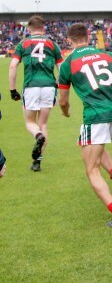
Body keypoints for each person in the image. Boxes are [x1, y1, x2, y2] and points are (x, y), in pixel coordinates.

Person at [58, 23, 112, 231]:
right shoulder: (107, 55)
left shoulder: (68, 63)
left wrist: (65, 113)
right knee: (89, 143)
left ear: (69, 40)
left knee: (91, 169)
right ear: (88, 37)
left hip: (96, 116)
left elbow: (63, 102)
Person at [8, 15, 63, 172]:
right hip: (49, 87)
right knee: (43, 124)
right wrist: (59, 84)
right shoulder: (53, 44)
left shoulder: (23, 44)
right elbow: (62, 67)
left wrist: (12, 90)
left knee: (30, 123)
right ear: (43, 28)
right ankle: (37, 162)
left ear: (29, 29)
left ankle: (37, 136)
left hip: (31, 86)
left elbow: (12, 66)